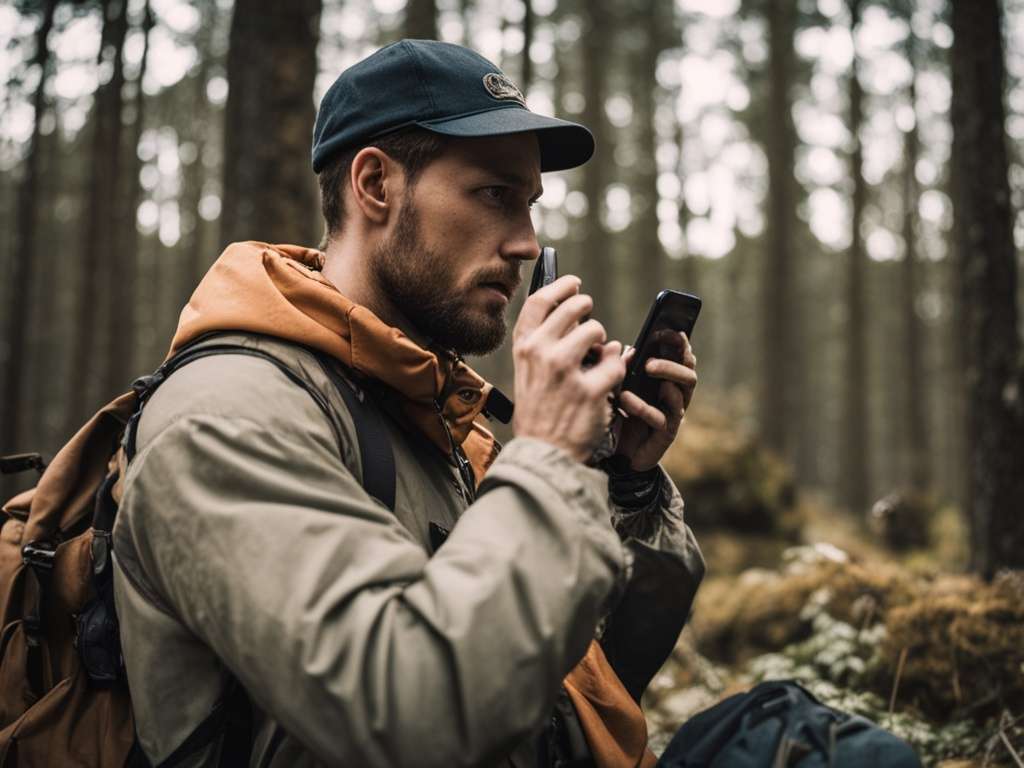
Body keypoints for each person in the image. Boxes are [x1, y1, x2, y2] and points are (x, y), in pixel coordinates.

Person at [112, 39, 705, 767]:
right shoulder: (227, 418)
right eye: (495, 195)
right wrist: (548, 460)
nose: (526, 243)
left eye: (531, 205)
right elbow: (410, 717)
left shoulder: (437, 416)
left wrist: (622, 487)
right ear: (375, 185)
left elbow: (583, 684)